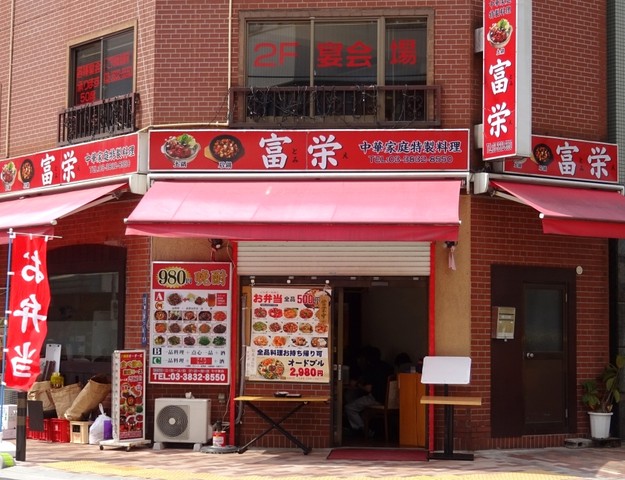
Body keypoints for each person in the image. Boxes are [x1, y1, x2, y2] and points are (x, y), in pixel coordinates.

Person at [344, 345, 393, 435]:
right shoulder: (388, 366)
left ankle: (363, 430)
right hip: (391, 400)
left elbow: (368, 388)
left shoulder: (372, 368)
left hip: (377, 398)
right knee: (358, 403)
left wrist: (357, 384)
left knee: (349, 408)